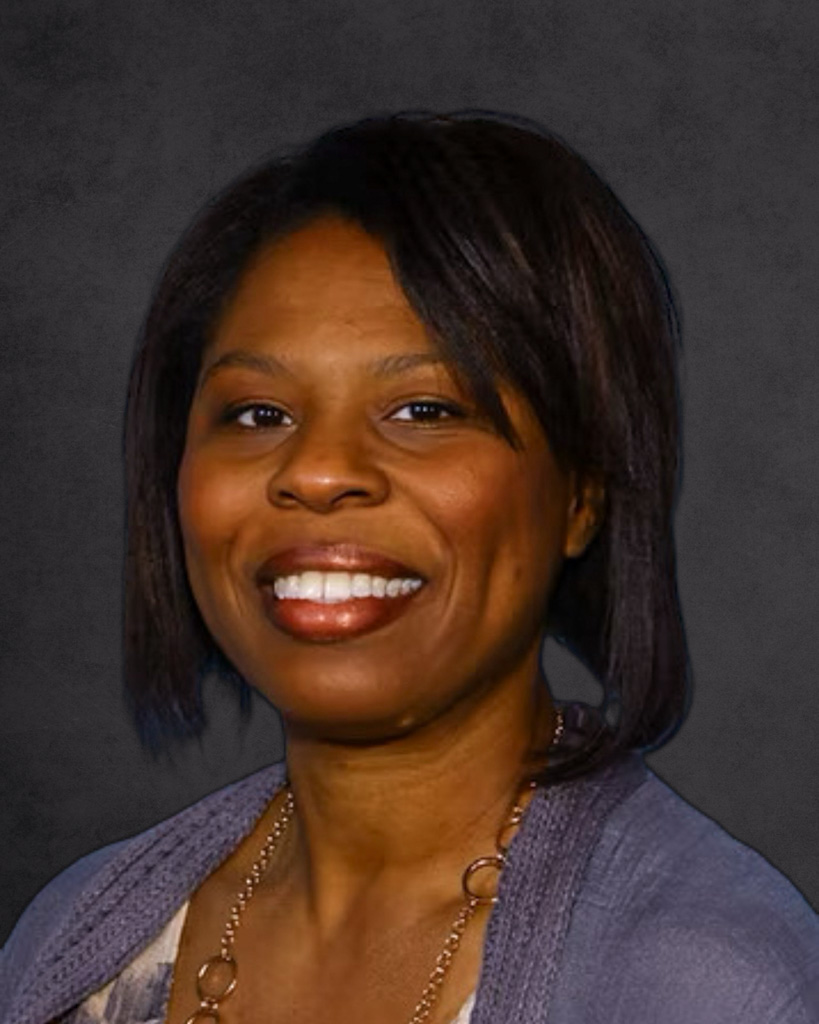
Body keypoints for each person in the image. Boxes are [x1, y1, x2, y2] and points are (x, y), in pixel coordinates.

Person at [1, 112, 817, 1024]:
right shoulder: (72, 948)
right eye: (259, 413)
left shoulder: (715, 985)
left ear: (581, 494)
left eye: (424, 409)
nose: (317, 472)